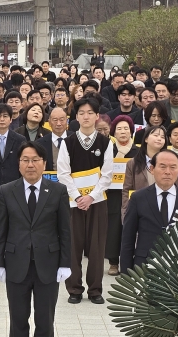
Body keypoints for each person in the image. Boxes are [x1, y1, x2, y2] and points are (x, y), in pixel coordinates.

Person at [0, 141, 71, 337]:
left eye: (35, 160)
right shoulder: (6, 190)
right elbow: (0, 229)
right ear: (18, 164)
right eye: (25, 160)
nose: (30, 165)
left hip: (48, 264)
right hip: (16, 263)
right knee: (18, 319)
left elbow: (65, 230)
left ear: (44, 164)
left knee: (45, 320)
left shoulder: (58, 191)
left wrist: (65, 262)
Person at [57, 98, 113, 305]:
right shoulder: (68, 142)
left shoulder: (105, 143)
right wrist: (79, 197)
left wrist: (91, 197)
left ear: (97, 116)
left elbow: (107, 176)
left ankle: (95, 289)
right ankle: (74, 289)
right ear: (76, 117)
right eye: (81, 113)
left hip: (97, 202)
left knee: (97, 247)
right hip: (73, 202)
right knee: (73, 245)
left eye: (90, 112)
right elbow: (63, 173)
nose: (86, 116)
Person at [120, 150, 178, 272]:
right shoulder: (138, 198)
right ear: (152, 169)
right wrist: (126, 273)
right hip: (145, 265)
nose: (167, 172)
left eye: (173, 167)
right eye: (162, 166)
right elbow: (128, 238)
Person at [105, 115, 138, 276]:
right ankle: (113, 262)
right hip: (113, 194)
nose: (123, 132)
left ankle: (130, 261)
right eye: (119, 129)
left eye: (126, 128)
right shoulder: (108, 149)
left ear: (131, 131)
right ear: (113, 132)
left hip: (132, 193)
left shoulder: (137, 151)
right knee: (114, 227)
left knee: (131, 226)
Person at [122, 126, 169, 219]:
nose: (159, 139)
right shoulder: (133, 163)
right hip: (141, 212)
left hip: (164, 210)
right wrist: (125, 215)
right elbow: (126, 191)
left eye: (162, 137)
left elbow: (177, 188)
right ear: (146, 139)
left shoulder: (170, 162)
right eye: (156, 135)